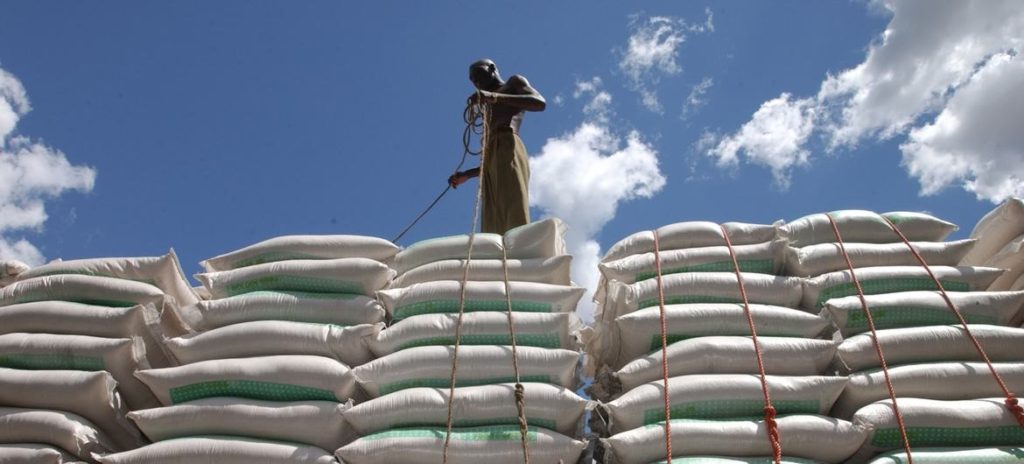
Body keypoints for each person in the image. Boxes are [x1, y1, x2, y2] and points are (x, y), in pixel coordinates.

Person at [448, 59, 546, 234]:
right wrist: (467, 175)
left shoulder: (513, 82)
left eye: (478, 75)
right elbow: (490, 164)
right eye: (472, 80)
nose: (476, 82)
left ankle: (520, 242)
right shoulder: (486, 107)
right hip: (491, 152)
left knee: (513, 203)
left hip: (508, 140)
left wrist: (494, 97)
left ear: (492, 69)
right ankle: (496, 246)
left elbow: (539, 102)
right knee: (491, 214)